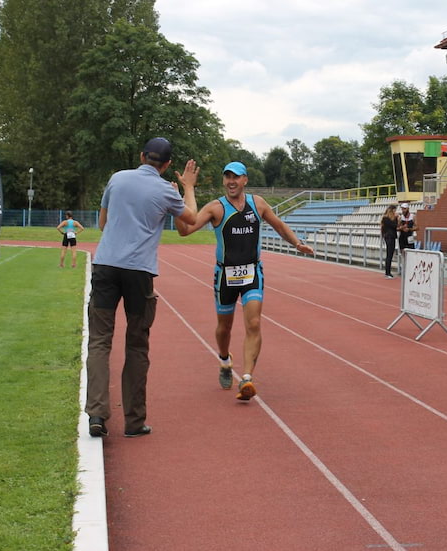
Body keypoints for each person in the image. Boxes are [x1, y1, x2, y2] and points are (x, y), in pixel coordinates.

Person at [85, 137, 199, 438]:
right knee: (136, 345)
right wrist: (187, 188)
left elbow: (102, 223)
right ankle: (134, 422)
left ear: (141, 156)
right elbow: (191, 221)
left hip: (106, 266)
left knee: (99, 341)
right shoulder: (165, 191)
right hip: (139, 273)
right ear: (168, 164)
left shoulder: (117, 178)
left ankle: (97, 413)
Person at [177, 161, 314, 401]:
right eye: (227, 176)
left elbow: (279, 225)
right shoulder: (215, 208)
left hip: (252, 273)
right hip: (225, 277)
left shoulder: (257, 204)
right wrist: (180, 199)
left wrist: (297, 243)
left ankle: (247, 378)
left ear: (245, 180)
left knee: (253, 323)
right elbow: (185, 231)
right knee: (224, 328)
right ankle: (224, 359)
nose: (231, 181)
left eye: (236, 177)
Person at [380, 204, 398, 278]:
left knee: (390, 254)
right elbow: (394, 225)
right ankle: (387, 272)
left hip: (390, 236)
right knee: (389, 254)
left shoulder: (386, 218)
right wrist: (396, 218)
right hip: (389, 237)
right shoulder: (386, 218)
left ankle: (388, 271)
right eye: (394, 210)